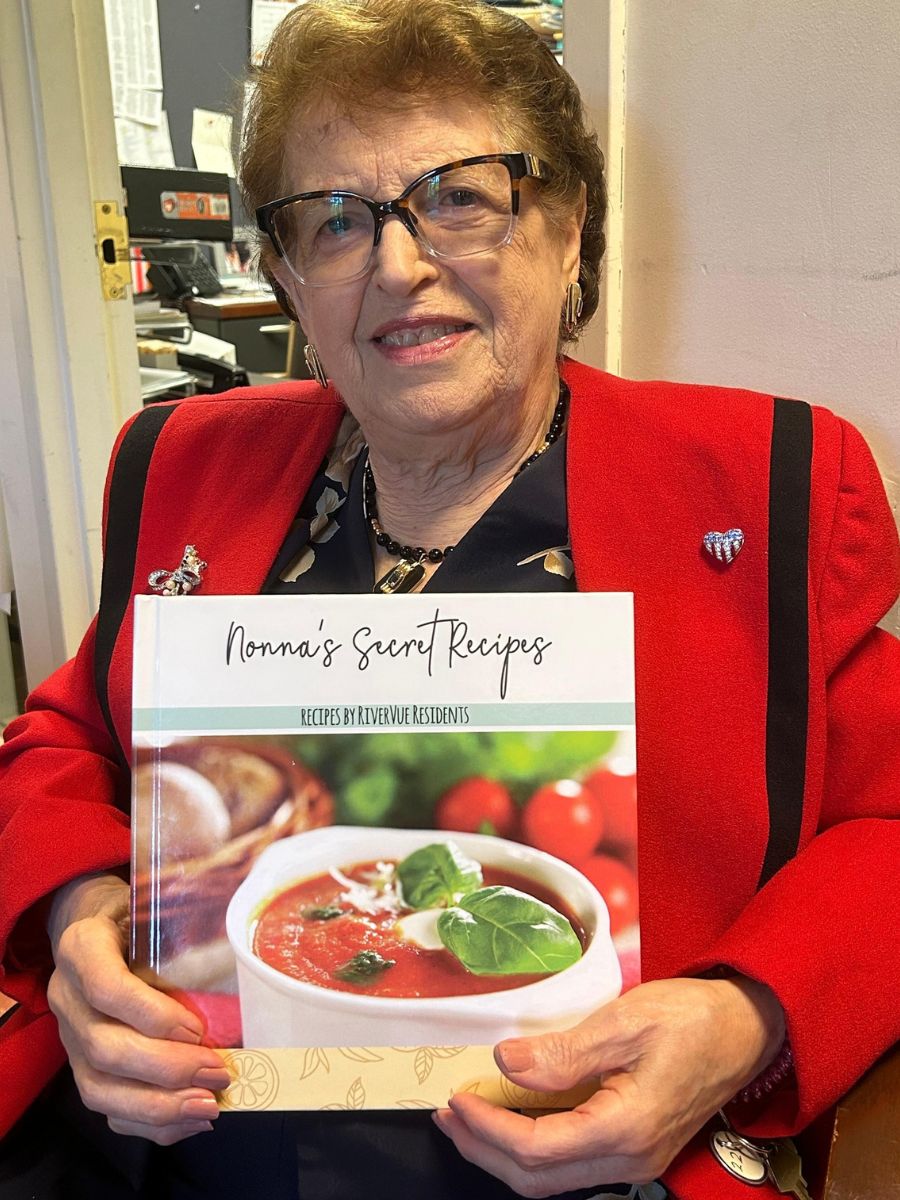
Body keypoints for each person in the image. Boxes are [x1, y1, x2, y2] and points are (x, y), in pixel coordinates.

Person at [1, 1, 898, 1197]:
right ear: (282, 275)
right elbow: (63, 732)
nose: (400, 263)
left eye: (461, 196)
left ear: (569, 226)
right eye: (333, 220)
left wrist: (745, 1020)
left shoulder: (771, 483)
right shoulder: (176, 466)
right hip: (193, 1148)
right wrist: (80, 911)